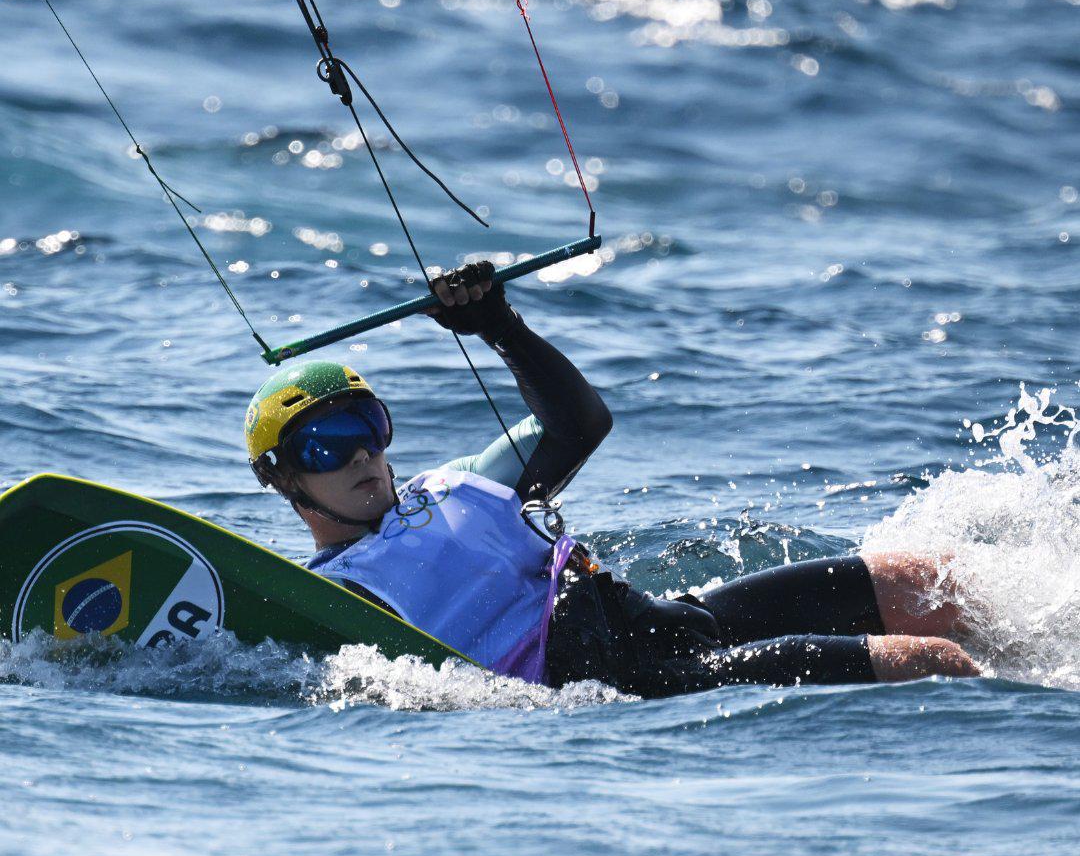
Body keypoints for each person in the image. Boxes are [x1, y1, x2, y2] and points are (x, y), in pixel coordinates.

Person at [245, 263, 979, 696]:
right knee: (929, 662)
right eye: (326, 445)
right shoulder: (333, 600)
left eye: (370, 430)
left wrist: (499, 323)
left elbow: (579, 422)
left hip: (658, 616)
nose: (361, 458)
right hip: (629, 682)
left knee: (924, 578)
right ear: (278, 478)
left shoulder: (459, 486)